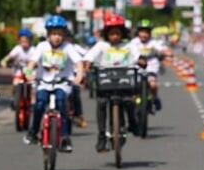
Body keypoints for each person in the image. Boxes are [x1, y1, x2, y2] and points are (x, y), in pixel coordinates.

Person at [24, 14, 82, 152]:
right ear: (48, 34)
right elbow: (32, 63)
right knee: (39, 103)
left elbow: (78, 62)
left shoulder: (68, 47)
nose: (57, 37)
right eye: (54, 33)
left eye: (60, 34)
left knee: (62, 103)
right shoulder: (42, 46)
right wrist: (29, 74)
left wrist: (78, 75)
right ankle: (33, 132)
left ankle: (65, 138)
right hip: (44, 82)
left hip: (62, 83)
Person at [81, 13, 138, 152]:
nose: (115, 37)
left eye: (118, 33)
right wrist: (87, 64)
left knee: (129, 101)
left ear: (122, 33)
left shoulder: (129, 45)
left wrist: (142, 60)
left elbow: (137, 55)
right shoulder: (101, 45)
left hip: (124, 81)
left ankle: (132, 123)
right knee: (101, 103)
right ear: (107, 34)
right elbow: (90, 56)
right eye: (112, 33)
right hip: (105, 81)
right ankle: (101, 136)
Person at [128, 19, 171, 111]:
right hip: (137, 66)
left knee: (153, 85)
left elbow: (162, 48)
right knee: (132, 85)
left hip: (151, 65)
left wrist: (167, 52)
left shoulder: (153, 42)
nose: (144, 34)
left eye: (146, 32)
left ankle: (155, 98)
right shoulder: (134, 42)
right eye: (142, 31)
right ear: (138, 32)